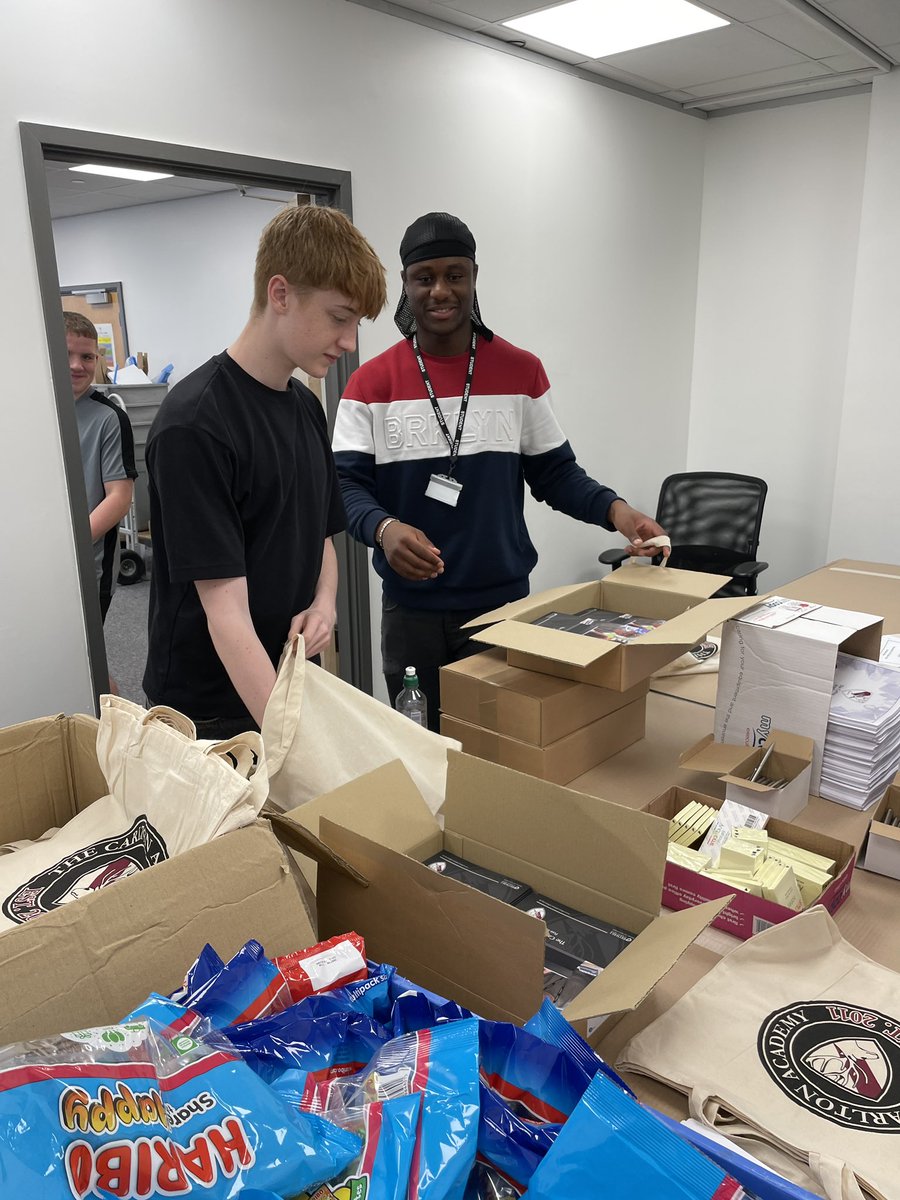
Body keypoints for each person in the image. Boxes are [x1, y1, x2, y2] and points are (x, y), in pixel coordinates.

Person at [332, 212, 668, 731]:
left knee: (499, 749)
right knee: (422, 741)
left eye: (455, 275)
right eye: (425, 278)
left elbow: (555, 474)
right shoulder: (370, 384)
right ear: (406, 285)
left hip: (500, 608)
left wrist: (617, 512)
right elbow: (345, 485)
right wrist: (384, 528)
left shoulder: (520, 371)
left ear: (473, 276)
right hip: (411, 614)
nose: (441, 290)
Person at [142, 205, 387, 739]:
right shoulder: (195, 424)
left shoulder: (305, 406)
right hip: (207, 711)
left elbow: (320, 532)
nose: (349, 342)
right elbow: (225, 613)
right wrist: (293, 742)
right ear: (280, 294)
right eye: (339, 318)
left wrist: (325, 606)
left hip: (287, 683)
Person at [64, 311, 137, 622]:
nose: (77, 365)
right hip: (34, 558)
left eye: (87, 357)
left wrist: (70, 545)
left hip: (87, 561)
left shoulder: (109, 418)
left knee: (87, 659)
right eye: (66, 354)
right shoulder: (30, 408)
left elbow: (119, 498)